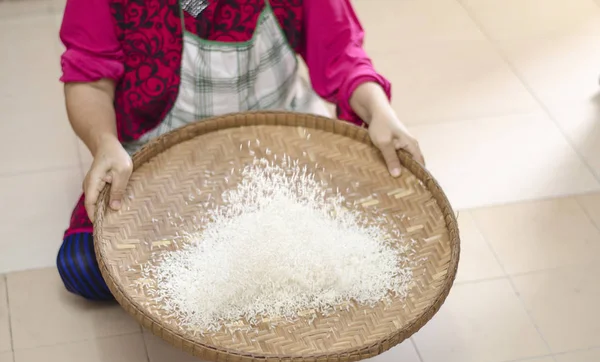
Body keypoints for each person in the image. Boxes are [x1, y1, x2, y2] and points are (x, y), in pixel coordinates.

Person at [57, 0, 425, 300]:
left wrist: (379, 111)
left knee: (358, 243)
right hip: (165, 158)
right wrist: (104, 141)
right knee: (84, 266)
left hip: (281, 152)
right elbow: (89, 77)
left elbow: (341, 52)